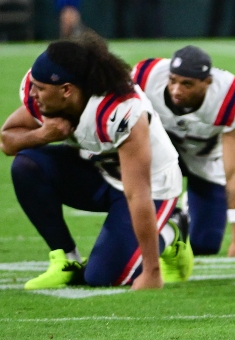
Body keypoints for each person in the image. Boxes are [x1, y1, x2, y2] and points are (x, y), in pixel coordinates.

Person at [1, 35, 188, 290]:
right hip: (97, 172)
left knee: (102, 277)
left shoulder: (120, 111)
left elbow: (138, 192)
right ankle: (66, 259)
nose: (33, 94)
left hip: (149, 186)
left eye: (40, 88)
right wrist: (43, 134)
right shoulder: (46, 94)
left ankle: (172, 229)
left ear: (67, 90)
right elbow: (7, 141)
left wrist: (152, 270)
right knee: (27, 166)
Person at [131, 47, 235, 258]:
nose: (176, 90)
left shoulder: (230, 98)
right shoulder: (146, 76)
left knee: (204, 245)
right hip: (158, 156)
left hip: (203, 159)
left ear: (207, 82)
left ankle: (184, 213)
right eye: (172, 80)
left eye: (187, 84)